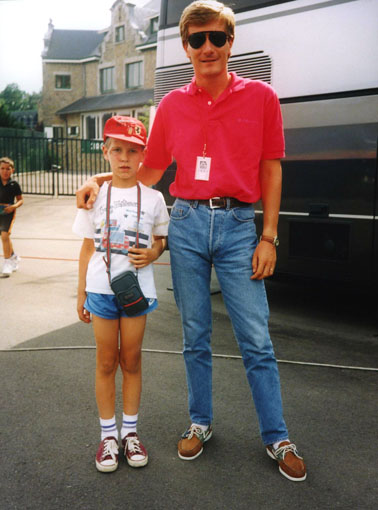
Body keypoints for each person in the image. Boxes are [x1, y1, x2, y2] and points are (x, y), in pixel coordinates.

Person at [76, 1, 307, 482]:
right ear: (185, 47)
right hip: (184, 223)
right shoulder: (173, 107)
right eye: (197, 39)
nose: (207, 48)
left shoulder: (261, 97)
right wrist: (99, 180)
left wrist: (269, 236)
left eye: (216, 38)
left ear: (230, 42)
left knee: (256, 339)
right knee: (195, 336)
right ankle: (200, 423)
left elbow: (271, 169)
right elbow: (151, 171)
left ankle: (277, 436)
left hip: (241, 226)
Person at [72, 116, 169, 473]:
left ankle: (130, 433)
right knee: (105, 362)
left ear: (143, 154)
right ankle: (108, 437)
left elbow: (160, 241)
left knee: (132, 361)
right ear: (105, 152)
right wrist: (79, 293)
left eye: (132, 150)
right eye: (117, 150)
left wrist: (155, 253)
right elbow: (86, 249)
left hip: (137, 293)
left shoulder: (155, 199)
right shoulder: (94, 196)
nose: (124, 157)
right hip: (100, 291)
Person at [0, 157, 23, 276]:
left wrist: (13, 207)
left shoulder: (14, 184)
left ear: (12, 170)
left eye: (8, 169)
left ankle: (7, 263)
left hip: (8, 212)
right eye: (2, 168)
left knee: (4, 235)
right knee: (5, 237)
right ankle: (13, 256)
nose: (5, 171)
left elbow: (20, 200)